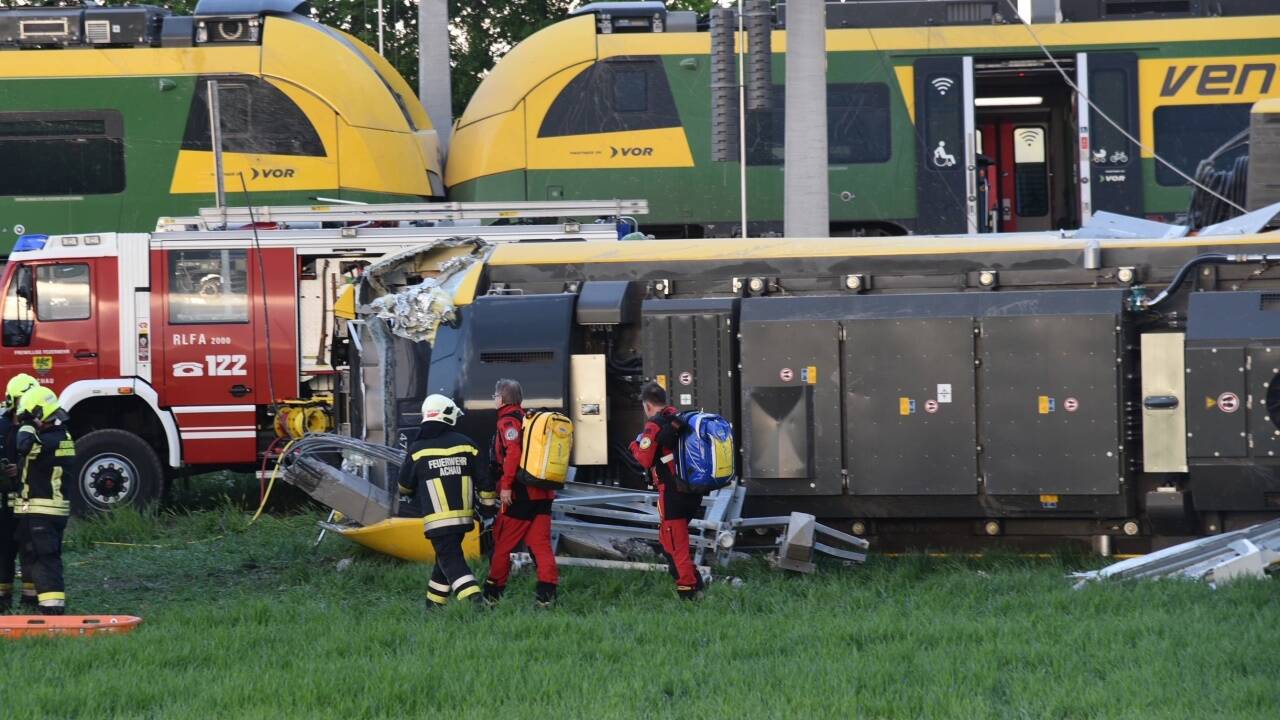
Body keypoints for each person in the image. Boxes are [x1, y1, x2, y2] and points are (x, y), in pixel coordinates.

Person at [396, 394, 492, 610]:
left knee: (452, 562)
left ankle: (476, 604)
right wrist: (488, 508)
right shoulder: (467, 445)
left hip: (437, 521)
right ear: (447, 416)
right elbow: (485, 482)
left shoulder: (418, 449)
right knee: (444, 561)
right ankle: (433, 607)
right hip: (463, 519)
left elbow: (404, 486)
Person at [482, 379, 558, 607]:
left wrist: (505, 485)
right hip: (543, 495)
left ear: (502, 398)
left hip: (521, 496)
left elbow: (513, 452)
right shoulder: (529, 420)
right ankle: (546, 598)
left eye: (495, 395)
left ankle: (491, 596)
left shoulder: (508, 421)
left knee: (502, 545)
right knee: (541, 545)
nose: (494, 399)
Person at [629, 382, 705, 600]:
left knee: (675, 546)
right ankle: (696, 584)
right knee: (667, 542)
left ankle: (689, 595)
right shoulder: (677, 417)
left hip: (672, 494)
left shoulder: (654, 425)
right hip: (691, 491)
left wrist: (634, 446)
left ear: (647, 405)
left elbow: (644, 459)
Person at [12, 384, 74, 615]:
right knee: (32, 555)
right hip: (51, 511)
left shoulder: (43, 442)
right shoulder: (64, 436)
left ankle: (52, 611)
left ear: (39, 414)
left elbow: (24, 445)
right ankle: (30, 603)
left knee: (45, 559)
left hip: (42, 511)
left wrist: (28, 423)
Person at [0, 373, 38, 612]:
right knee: (3, 554)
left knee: (31, 554)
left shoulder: (39, 428)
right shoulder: (2, 427)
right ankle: (3, 604)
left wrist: (21, 468)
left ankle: (30, 604)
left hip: (30, 504)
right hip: (4, 503)